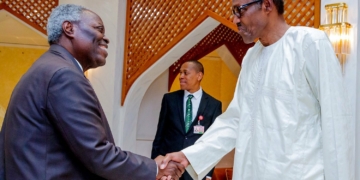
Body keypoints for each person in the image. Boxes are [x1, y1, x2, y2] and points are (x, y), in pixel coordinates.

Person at [160, 0, 354, 180]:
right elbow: (235, 120)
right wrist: (189, 156)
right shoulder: (251, 57)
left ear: (267, 5)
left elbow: (335, 122)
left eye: (240, 10)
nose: (235, 19)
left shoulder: (309, 43)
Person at [0, 4, 184, 180]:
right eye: (98, 29)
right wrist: (154, 169)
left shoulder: (48, 67)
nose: (106, 38)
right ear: (69, 28)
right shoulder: (63, 75)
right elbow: (96, 152)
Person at [152, 60, 222, 180]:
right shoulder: (169, 99)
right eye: (180, 73)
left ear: (199, 76)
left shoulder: (214, 104)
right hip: (169, 168)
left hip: (196, 170)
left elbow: (213, 141)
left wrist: (208, 174)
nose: (181, 76)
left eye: (185, 73)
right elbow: (160, 134)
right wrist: (155, 165)